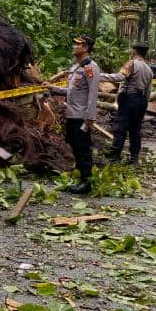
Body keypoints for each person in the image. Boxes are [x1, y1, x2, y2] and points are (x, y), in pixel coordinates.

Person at [104, 42, 154, 165]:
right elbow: (148, 91)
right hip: (141, 100)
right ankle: (134, 159)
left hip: (128, 99)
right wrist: (143, 104)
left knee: (120, 128)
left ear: (134, 51)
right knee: (135, 130)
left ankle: (114, 157)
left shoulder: (131, 64)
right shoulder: (148, 69)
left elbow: (119, 77)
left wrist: (99, 76)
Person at [63, 35, 100, 194]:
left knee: (83, 148)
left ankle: (87, 182)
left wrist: (90, 117)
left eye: (77, 45)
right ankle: (80, 178)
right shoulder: (76, 68)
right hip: (71, 115)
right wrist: (51, 87)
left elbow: (93, 94)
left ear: (85, 48)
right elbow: (71, 91)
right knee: (75, 146)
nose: (74, 47)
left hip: (81, 117)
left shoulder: (91, 68)